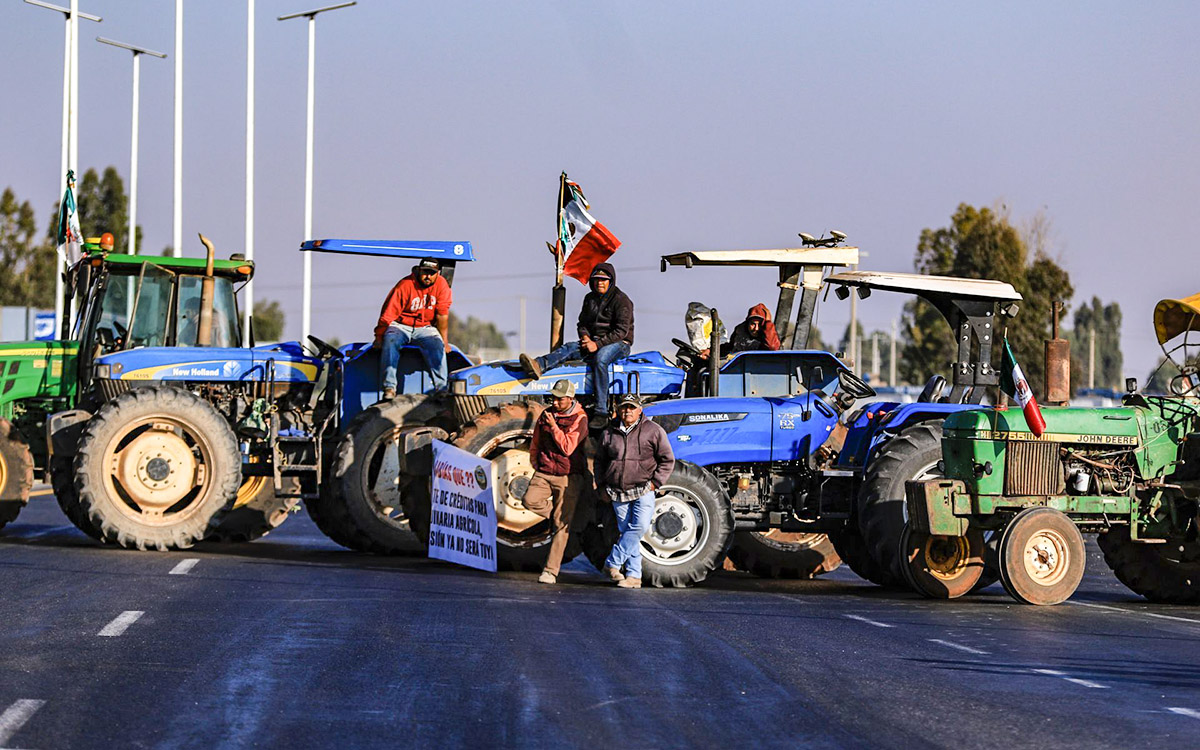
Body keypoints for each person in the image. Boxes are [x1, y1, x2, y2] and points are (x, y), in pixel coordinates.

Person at [518, 263, 633, 427]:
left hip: (618, 343)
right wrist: (586, 337)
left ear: (611, 281)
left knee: (600, 360)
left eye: (604, 280)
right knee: (570, 347)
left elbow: (621, 331)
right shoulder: (590, 299)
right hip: (594, 341)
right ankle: (539, 365)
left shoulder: (622, 301)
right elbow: (582, 324)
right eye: (596, 280)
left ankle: (601, 410)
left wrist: (598, 344)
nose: (600, 283)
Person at [595, 393, 675, 589]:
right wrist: (601, 486)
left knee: (638, 527)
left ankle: (612, 563)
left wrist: (655, 483)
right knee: (626, 532)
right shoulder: (608, 433)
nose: (627, 411)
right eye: (624, 407)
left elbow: (667, 459)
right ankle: (634, 576)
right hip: (617, 491)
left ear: (640, 410)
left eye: (631, 407)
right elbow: (599, 461)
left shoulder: (654, 431)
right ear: (618, 409)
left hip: (644, 489)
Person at [523, 379, 589, 585]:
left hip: (567, 476)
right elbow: (535, 439)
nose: (555, 402)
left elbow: (568, 447)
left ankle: (550, 571)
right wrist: (535, 460)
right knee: (529, 500)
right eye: (554, 398)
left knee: (561, 526)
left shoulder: (580, 418)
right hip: (544, 471)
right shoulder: (546, 414)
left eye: (559, 399)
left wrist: (554, 428)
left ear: (570, 398)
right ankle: (562, 519)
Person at [374, 258, 452, 399]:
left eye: (431, 273)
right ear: (418, 270)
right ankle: (390, 387)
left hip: (425, 326)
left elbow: (442, 316)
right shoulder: (405, 285)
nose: (428, 276)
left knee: (436, 344)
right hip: (400, 325)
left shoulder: (441, 285)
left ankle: (441, 389)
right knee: (391, 340)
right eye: (425, 272)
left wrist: (444, 341)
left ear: (438, 273)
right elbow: (388, 314)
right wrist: (379, 336)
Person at [715, 303, 781, 357]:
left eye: (759, 324)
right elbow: (729, 347)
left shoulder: (769, 337)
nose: (756, 328)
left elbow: (772, 347)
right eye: (753, 324)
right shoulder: (739, 332)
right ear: (747, 323)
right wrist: (713, 351)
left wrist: (768, 322)